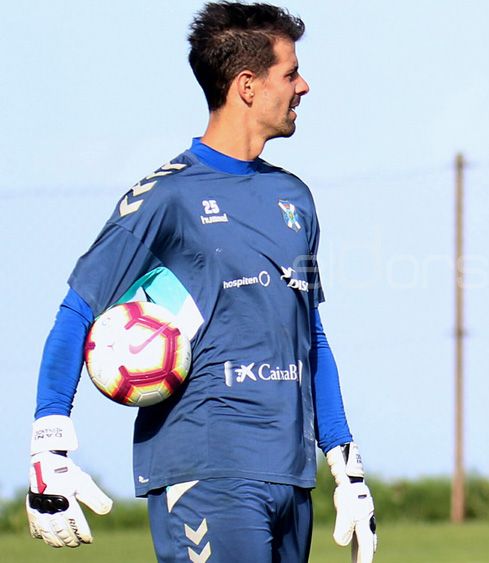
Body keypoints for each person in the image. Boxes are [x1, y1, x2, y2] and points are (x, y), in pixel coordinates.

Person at [25, 3, 377, 562]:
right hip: (207, 469)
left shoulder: (296, 199)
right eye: (290, 73)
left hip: (289, 473)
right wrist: (50, 441)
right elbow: (77, 311)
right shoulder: (167, 196)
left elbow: (311, 335)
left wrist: (343, 459)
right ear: (247, 85)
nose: (304, 86)